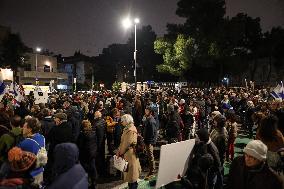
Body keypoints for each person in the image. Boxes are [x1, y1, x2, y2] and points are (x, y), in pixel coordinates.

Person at [17, 117, 45, 187]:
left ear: (30, 129)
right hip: (40, 171)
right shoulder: (42, 137)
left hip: (29, 175)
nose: (22, 128)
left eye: (24, 127)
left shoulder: (26, 143)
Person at [116, 114, 141, 189]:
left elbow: (126, 144)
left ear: (126, 121)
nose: (121, 122)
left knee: (131, 177)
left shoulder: (130, 130)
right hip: (129, 153)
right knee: (132, 176)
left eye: (122, 121)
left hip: (130, 154)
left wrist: (120, 152)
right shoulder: (129, 128)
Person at [77, 120, 97, 189]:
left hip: (84, 154)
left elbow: (80, 145)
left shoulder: (82, 134)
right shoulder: (93, 133)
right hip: (92, 153)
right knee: (93, 167)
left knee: (85, 169)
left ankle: (86, 183)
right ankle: (94, 182)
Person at [143, 106, 157, 179]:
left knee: (150, 156)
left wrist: (149, 141)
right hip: (147, 140)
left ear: (150, 112)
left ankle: (152, 171)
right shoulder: (148, 119)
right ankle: (151, 170)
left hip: (149, 141)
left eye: (147, 111)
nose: (145, 112)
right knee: (149, 156)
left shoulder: (151, 121)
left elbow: (152, 133)